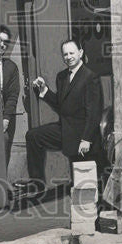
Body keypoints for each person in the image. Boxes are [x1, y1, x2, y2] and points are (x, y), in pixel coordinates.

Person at [21, 38, 102, 192]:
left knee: (85, 185)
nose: (68, 57)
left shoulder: (90, 77)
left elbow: (94, 113)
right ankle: (37, 184)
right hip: (65, 129)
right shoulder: (61, 77)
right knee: (33, 136)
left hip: (81, 134)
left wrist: (86, 139)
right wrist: (44, 90)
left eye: (72, 53)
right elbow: (61, 106)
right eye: (65, 54)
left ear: (80, 53)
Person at [0, 25, 21, 164]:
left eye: (5, 43)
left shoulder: (11, 68)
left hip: (2, 116)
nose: (1, 45)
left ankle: (1, 181)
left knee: (4, 144)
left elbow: (13, 95)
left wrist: (6, 118)